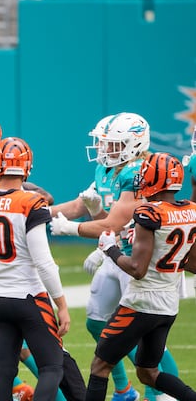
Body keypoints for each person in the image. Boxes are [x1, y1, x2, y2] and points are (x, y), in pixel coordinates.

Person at [50, 113, 175, 401]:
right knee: (96, 322)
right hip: (117, 253)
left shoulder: (139, 172)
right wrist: (39, 212)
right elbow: (82, 205)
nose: (105, 150)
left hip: (142, 262)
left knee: (147, 337)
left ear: (133, 144)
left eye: (114, 144)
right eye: (104, 143)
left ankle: (160, 393)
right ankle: (123, 389)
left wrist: (70, 229)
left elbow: (112, 224)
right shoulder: (108, 170)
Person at [0, 137, 70, 401]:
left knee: (3, 372)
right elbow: (43, 262)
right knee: (52, 367)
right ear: (27, 168)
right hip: (29, 296)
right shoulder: (30, 203)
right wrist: (62, 304)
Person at [84, 153, 196, 401]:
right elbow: (193, 264)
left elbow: (137, 269)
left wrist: (109, 249)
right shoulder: (191, 211)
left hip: (140, 303)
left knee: (100, 367)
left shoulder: (149, 213)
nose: (141, 179)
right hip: (167, 306)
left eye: (146, 174)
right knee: (148, 372)